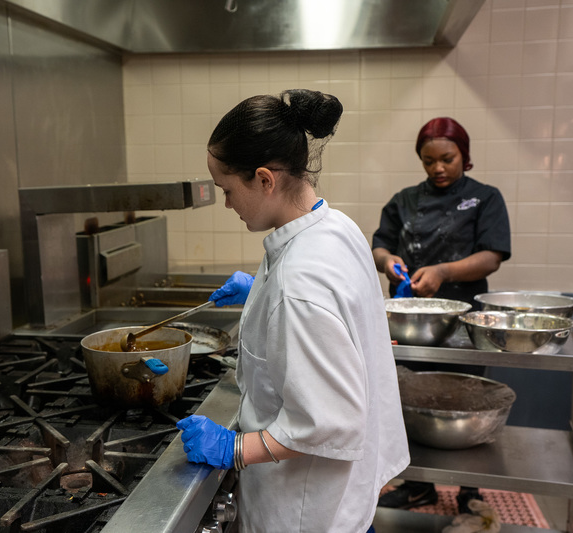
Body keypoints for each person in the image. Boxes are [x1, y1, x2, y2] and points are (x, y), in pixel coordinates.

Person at [174, 89, 410, 533]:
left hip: (309, 512)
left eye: (228, 190)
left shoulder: (300, 285)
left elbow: (327, 423)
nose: (228, 204)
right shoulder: (334, 224)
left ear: (265, 180)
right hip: (345, 496)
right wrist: (259, 290)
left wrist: (234, 448)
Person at [371, 117, 511, 514]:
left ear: (464, 156)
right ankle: (419, 486)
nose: (438, 168)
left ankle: (471, 491)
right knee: (412, 402)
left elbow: (492, 256)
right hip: (411, 324)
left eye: (447, 159)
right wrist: (389, 261)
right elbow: (380, 244)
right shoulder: (405, 200)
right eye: (428, 160)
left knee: (467, 405)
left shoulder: (485, 198)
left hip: (463, 324)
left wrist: (445, 271)